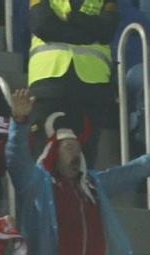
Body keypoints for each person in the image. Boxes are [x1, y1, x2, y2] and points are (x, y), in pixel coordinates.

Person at [5, 86, 150, 255]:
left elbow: (136, 169)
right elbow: (17, 158)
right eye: (68, 147)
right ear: (53, 153)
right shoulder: (38, 184)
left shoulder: (94, 184)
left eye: (77, 148)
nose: (75, 153)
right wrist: (19, 122)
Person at [25, 0, 118, 161]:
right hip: (48, 83)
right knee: (43, 159)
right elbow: (42, 24)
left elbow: (106, 31)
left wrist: (72, 18)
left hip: (92, 88)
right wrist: (86, 31)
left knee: (84, 162)